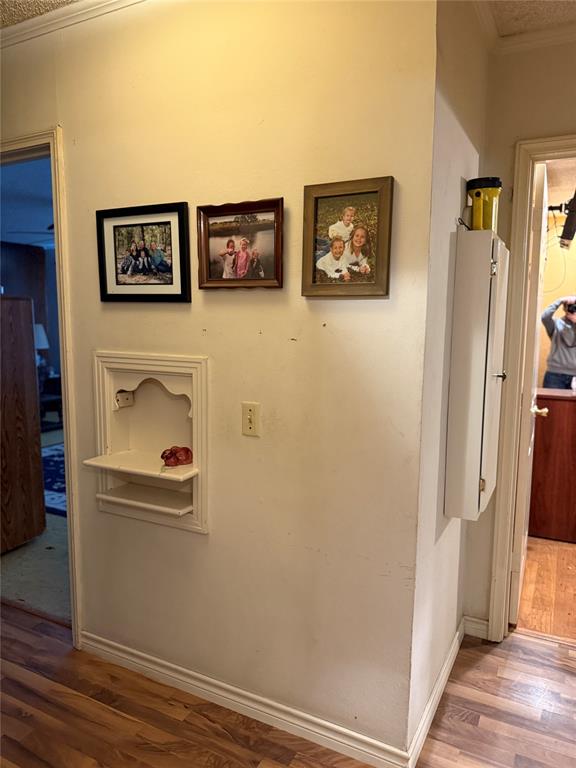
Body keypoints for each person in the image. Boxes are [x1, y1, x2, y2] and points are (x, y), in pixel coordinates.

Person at [541, 295, 576, 389]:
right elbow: (544, 317)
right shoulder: (556, 324)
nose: (573, 309)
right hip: (555, 375)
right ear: (565, 308)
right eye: (571, 306)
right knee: (551, 404)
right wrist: (561, 300)